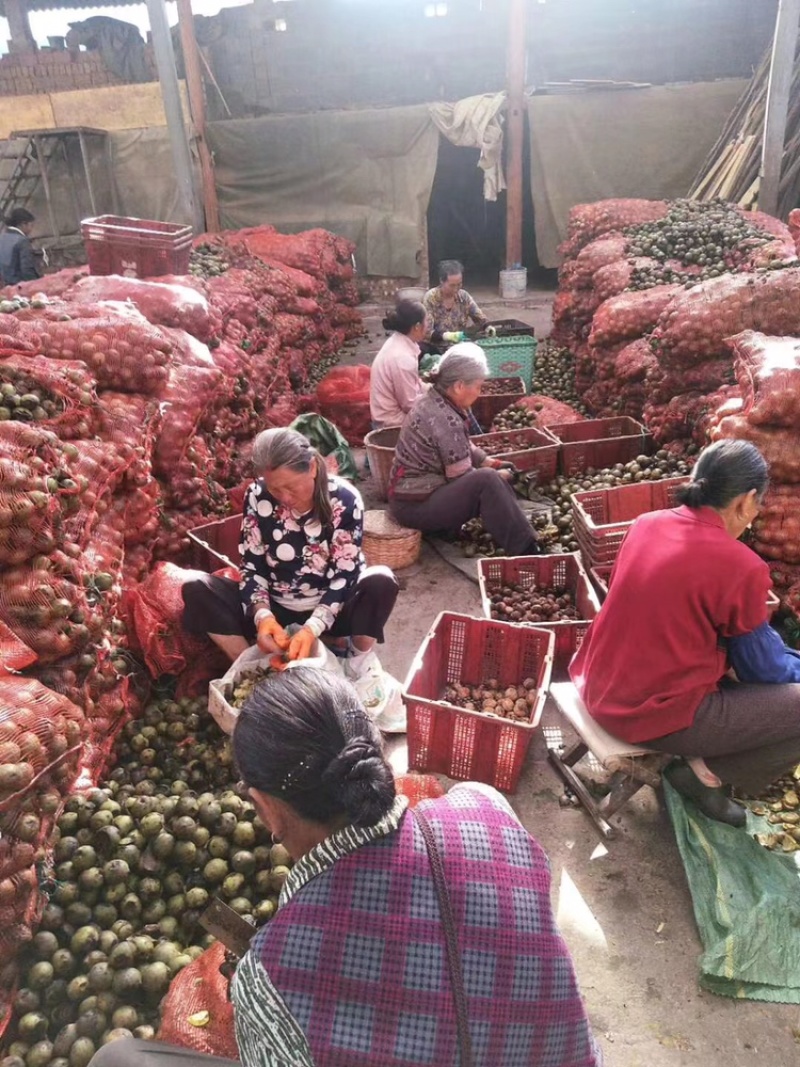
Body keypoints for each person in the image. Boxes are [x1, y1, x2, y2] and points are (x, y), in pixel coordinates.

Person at [89, 668, 603, 1067]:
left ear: (266, 808)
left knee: (118, 1059)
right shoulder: (485, 807)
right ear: (376, 751)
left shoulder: (272, 974)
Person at [570, 439, 800, 827]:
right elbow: (765, 671)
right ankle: (703, 774)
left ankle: (700, 763)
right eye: (757, 505)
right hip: (645, 713)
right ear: (746, 501)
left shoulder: (646, 524)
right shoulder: (740, 565)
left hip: (597, 683)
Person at [182, 427, 399, 694]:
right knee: (196, 588)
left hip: (332, 608)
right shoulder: (257, 495)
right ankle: (254, 669)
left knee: (381, 582)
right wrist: (262, 616)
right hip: (277, 609)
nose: (284, 497)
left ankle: (354, 662)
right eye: (275, 489)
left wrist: (313, 627)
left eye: (290, 487)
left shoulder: (344, 499)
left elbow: (345, 574)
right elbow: (252, 564)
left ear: (311, 468)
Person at [388, 343, 541, 556]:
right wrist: (498, 474)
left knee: (489, 477)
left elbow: (463, 445)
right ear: (459, 386)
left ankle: (515, 530)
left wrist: (489, 461)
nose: (480, 393)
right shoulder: (445, 418)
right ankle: (527, 550)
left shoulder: (434, 400)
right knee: (488, 481)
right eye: (478, 386)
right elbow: (463, 477)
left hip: (411, 498)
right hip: (413, 508)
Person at [369, 298, 427, 429]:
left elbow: (415, 384)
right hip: (391, 423)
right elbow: (410, 405)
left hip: (390, 415)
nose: (428, 325)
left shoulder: (398, 341)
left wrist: (432, 388)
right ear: (417, 327)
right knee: (446, 416)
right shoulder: (403, 358)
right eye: (426, 321)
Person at [423, 258, 488, 340]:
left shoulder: (464, 297)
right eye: (452, 285)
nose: (456, 289)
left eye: (459, 284)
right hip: (435, 346)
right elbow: (426, 332)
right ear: (441, 281)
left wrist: (487, 326)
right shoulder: (431, 298)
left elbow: (480, 318)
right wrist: (447, 336)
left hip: (459, 345)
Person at [0, 208, 42, 285]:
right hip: (19, 285)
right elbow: (27, 269)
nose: (31, 229)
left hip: (6, 285)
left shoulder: (2, 237)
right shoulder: (22, 241)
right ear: (23, 224)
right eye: (31, 225)